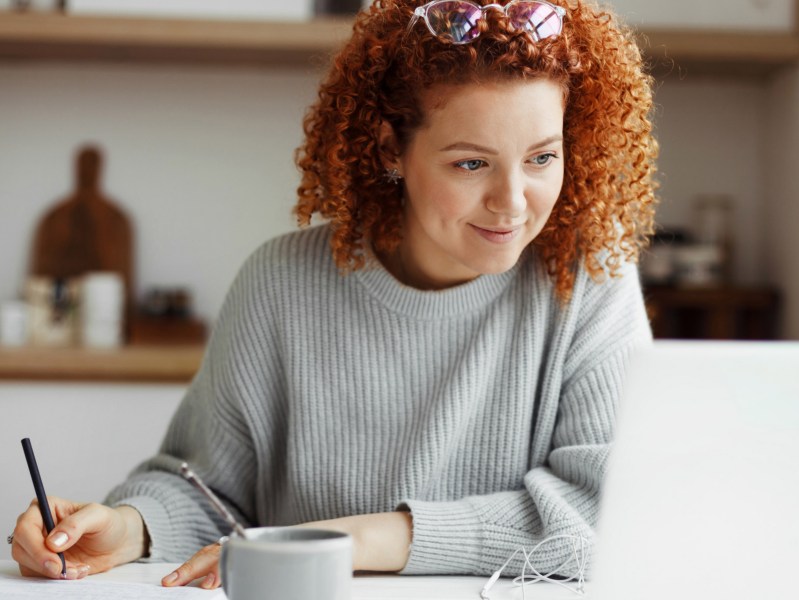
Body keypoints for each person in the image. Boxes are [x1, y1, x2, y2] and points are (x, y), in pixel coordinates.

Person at [10, 0, 657, 589]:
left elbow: (612, 511)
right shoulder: (279, 285)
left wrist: (364, 538)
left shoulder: (590, 278)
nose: (513, 202)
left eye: (542, 158)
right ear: (390, 149)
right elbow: (206, 491)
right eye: (470, 163)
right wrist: (129, 526)